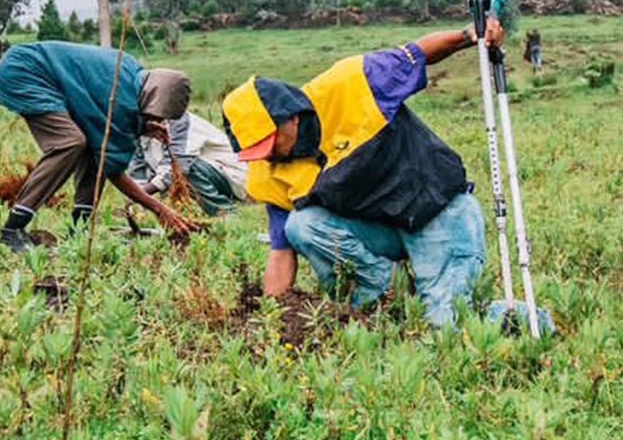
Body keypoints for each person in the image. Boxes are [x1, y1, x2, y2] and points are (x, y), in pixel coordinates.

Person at [221, 21, 526, 328]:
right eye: (255, 151)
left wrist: (468, 36)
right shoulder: (268, 172)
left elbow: (417, 53)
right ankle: (382, 289)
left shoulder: (353, 83)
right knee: (300, 226)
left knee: (444, 327)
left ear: (289, 116)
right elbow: (281, 251)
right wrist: (273, 319)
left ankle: (523, 318)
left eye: (269, 143)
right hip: (380, 232)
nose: (267, 156)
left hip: (438, 212)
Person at [0, 41, 199, 251]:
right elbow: (114, 172)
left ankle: (78, 231)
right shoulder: (121, 101)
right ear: (151, 97)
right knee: (70, 143)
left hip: (34, 68)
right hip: (25, 73)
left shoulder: (131, 73)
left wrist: (142, 125)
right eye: (156, 113)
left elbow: (97, 117)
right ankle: (12, 230)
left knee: (94, 147)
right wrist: (160, 209)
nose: (156, 118)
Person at [127, 111, 248, 215]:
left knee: (183, 170)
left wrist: (138, 196)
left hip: (232, 176)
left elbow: (178, 165)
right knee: (165, 178)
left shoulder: (179, 121)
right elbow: (138, 174)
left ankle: (224, 211)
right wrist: (137, 203)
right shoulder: (139, 132)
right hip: (212, 176)